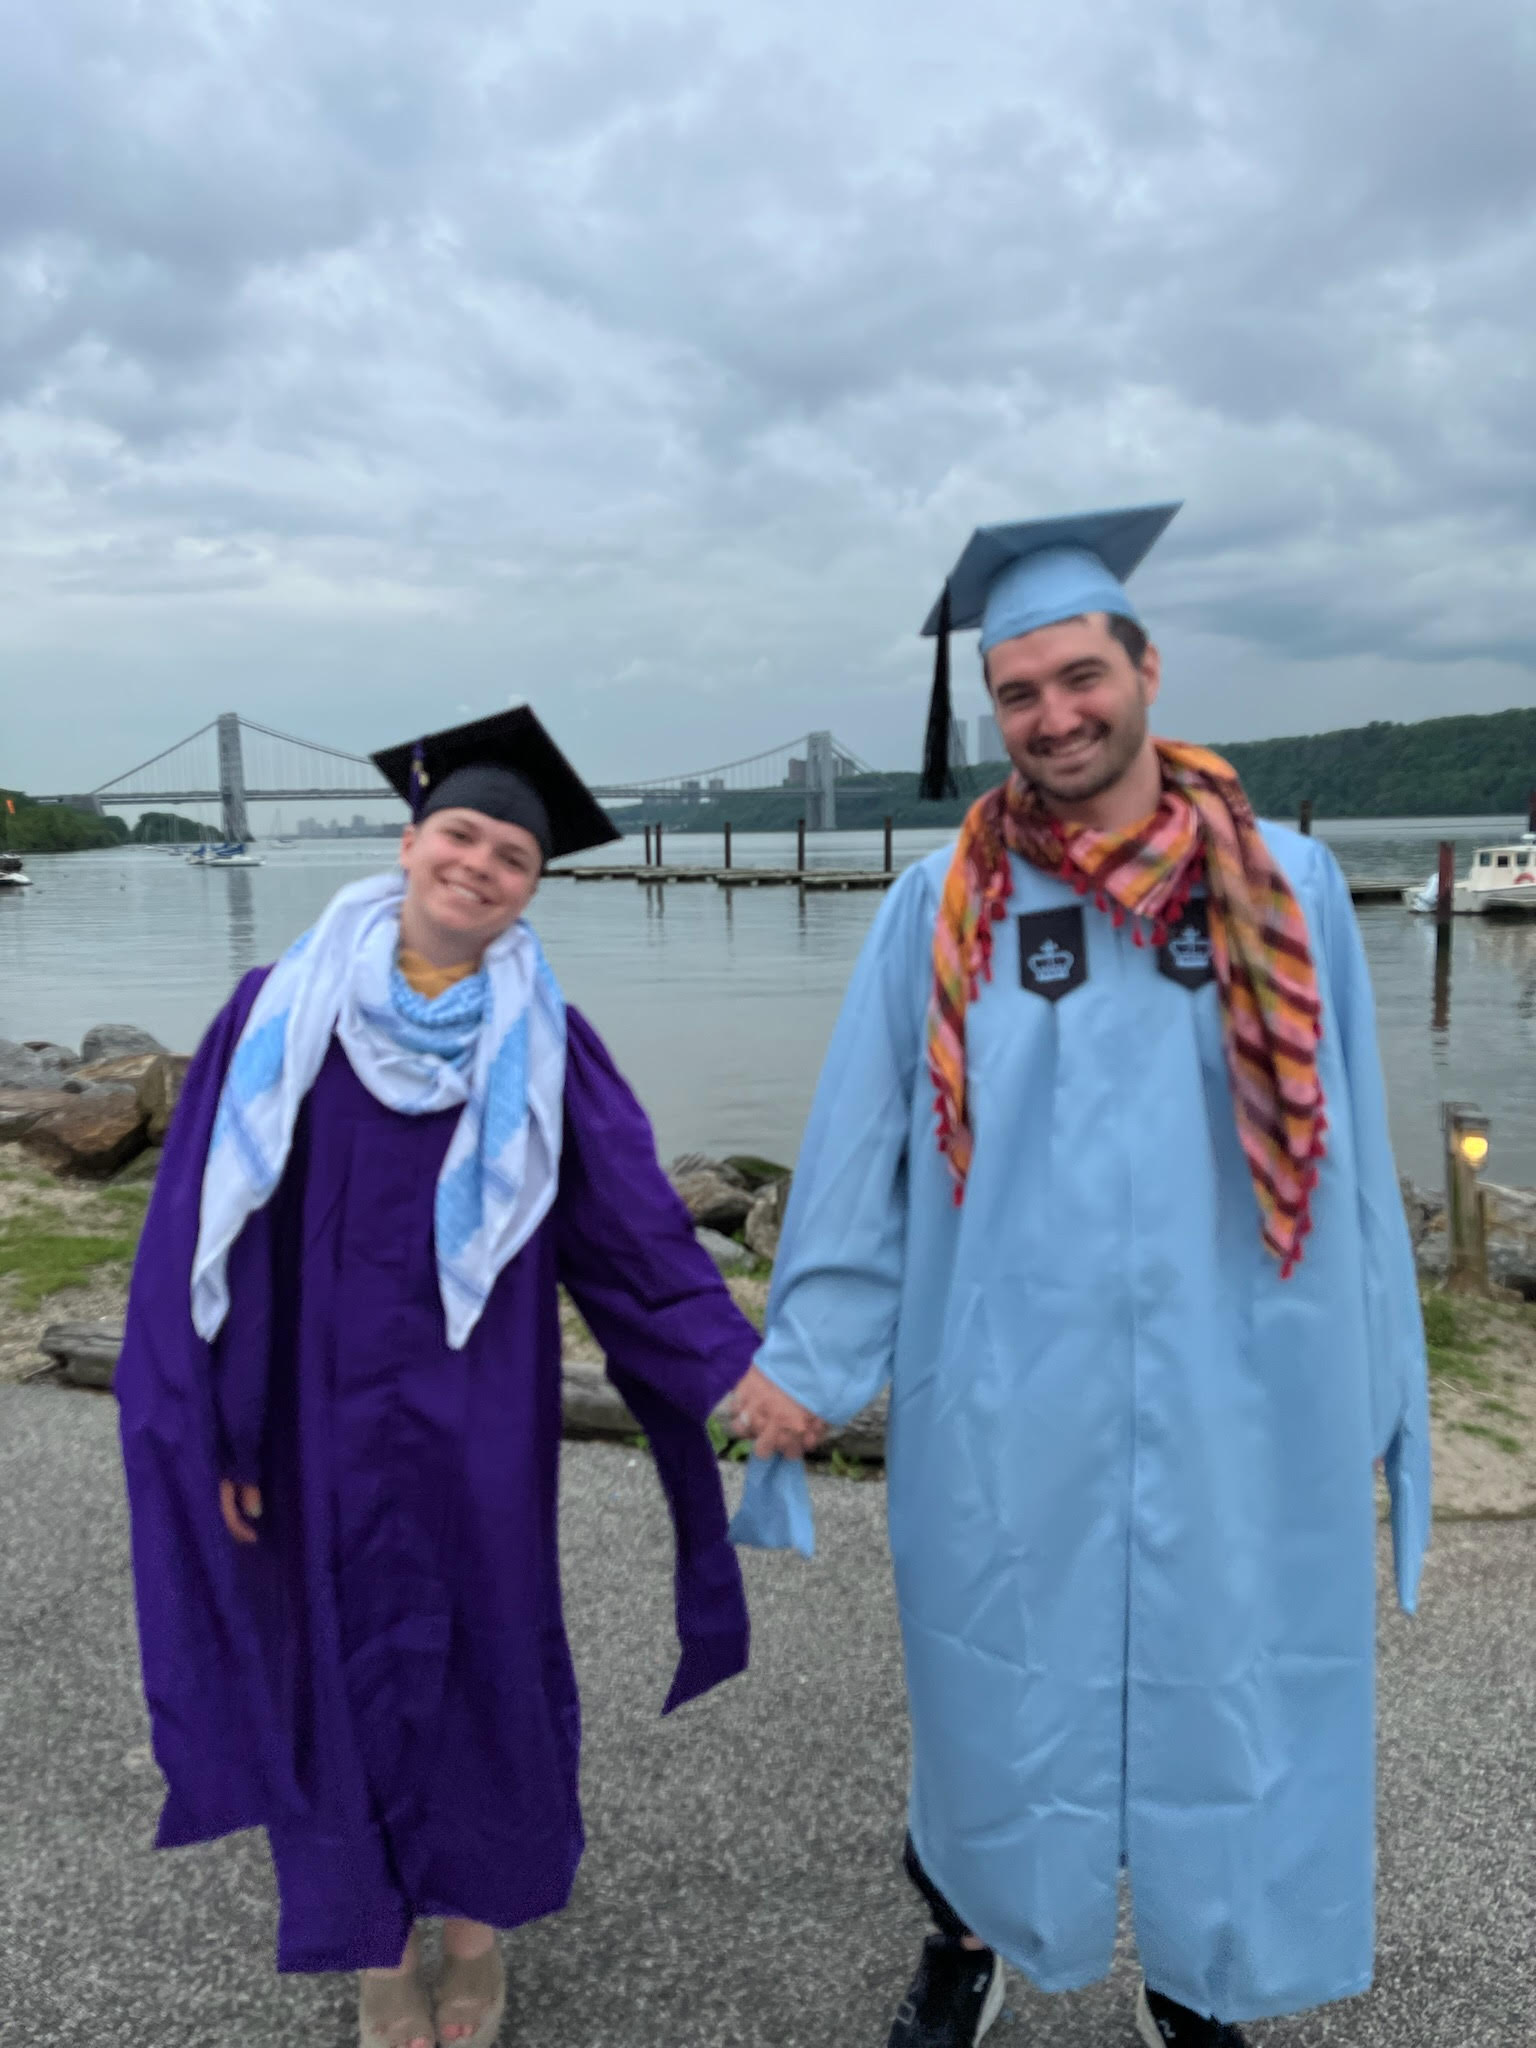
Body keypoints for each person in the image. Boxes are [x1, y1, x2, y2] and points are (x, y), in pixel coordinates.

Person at [729, 505, 1431, 2048]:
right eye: (1020, 693)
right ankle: (970, 1939)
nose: (1053, 716)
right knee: (994, 1689)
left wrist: (1381, 1386)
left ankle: (1205, 1983)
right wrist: (813, 1357)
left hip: (1236, 1377)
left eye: (1077, 678)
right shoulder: (947, 906)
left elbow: (1357, 1154)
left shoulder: (1287, 890)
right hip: (1006, 1379)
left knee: (1231, 1680)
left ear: (1147, 668)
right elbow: (866, 1152)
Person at [117, 708, 767, 2048]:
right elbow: (202, 1240)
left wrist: (736, 1374)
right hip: (314, 1419)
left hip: (479, 1421)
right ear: (410, 842)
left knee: (487, 1656)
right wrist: (224, 1435)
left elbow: (638, 1233)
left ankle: (473, 1936)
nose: (479, 864)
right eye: (460, 834)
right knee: (330, 1664)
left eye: (512, 854)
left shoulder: (546, 1042)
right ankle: (373, 1948)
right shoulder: (280, 1014)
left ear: (535, 885)